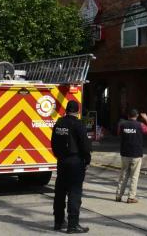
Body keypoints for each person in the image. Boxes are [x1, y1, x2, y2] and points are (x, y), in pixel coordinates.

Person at [51, 100, 92, 234]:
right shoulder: (78, 124)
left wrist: (59, 156)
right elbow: (85, 145)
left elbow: (53, 143)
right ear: (78, 111)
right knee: (74, 193)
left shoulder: (59, 123)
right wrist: (87, 160)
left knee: (60, 192)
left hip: (62, 161)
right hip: (75, 161)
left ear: (66, 110)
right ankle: (73, 225)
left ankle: (58, 221)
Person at [115, 109, 147, 203]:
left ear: (128, 116)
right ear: (136, 116)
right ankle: (131, 197)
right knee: (134, 176)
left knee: (123, 175)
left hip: (125, 154)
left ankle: (118, 196)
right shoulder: (140, 125)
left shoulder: (122, 125)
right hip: (136, 154)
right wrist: (146, 119)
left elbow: (118, 133)